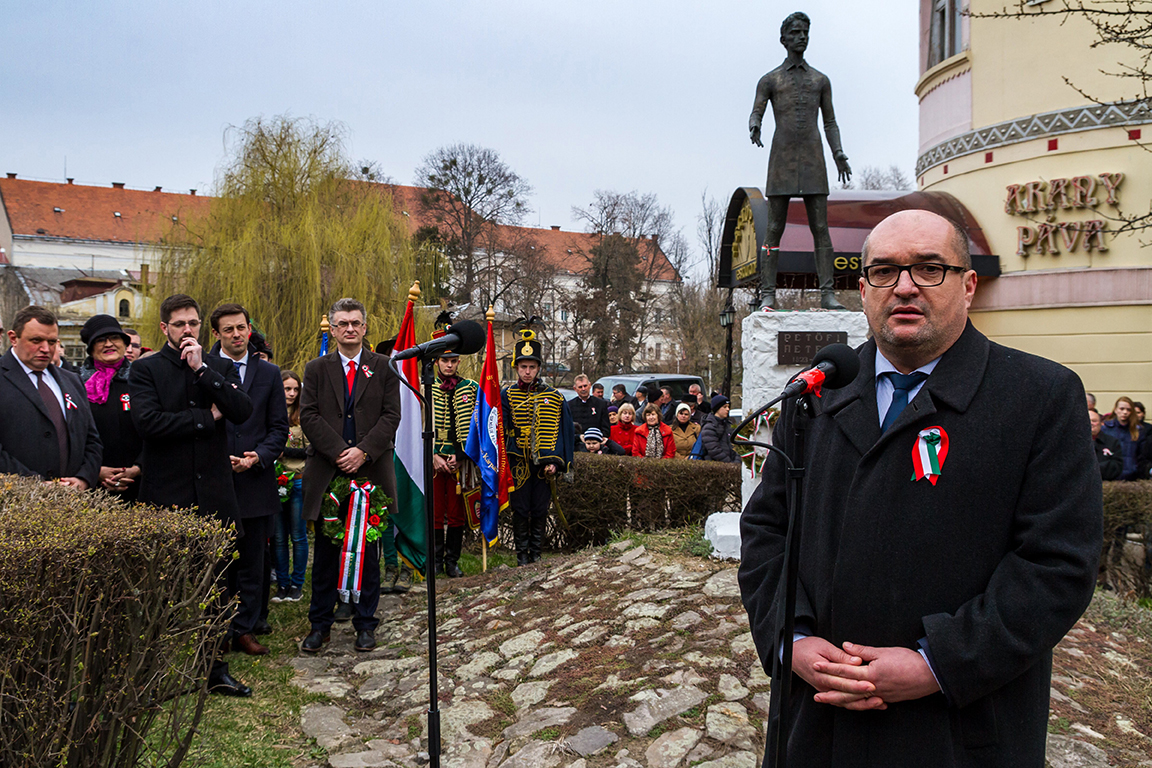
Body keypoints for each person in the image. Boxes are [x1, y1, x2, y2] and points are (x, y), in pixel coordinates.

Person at [739, 209, 1102, 767]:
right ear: (863, 291)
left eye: (929, 268)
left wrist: (939, 663)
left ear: (969, 284)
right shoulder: (816, 393)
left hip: (959, 730)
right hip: (817, 723)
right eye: (884, 271)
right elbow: (767, 530)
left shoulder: (1040, 397)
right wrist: (791, 639)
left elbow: (1057, 566)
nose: (904, 287)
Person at [129, 294, 254, 697]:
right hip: (167, 495)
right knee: (163, 588)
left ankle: (213, 666)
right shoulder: (145, 369)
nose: (188, 330)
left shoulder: (216, 367)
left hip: (215, 495)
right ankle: (156, 670)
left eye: (194, 323)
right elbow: (148, 423)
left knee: (217, 585)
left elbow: (240, 410)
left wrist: (203, 371)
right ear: (164, 328)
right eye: (179, 324)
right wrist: (205, 418)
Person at [299, 298, 401, 654]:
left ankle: (365, 623)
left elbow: (391, 416)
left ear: (365, 326)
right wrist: (341, 452)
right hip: (329, 472)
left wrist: (364, 451)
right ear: (333, 327)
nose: (349, 329)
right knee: (327, 553)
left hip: (370, 471)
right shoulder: (315, 369)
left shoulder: (384, 367)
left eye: (355, 323)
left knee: (367, 550)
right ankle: (320, 625)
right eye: (342, 323)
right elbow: (308, 415)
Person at [749, 11, 851, 311]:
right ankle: (768, 293)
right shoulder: (770, 80)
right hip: (781, 159)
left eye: (805, 32)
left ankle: (827, 293)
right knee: (774, 228)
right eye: (795, 32)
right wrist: (755, 124)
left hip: (812, 158)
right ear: (784, 39)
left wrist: (838, 153)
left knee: (820, 227)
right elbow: (757, 110)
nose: (801, 37)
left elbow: (830, 122)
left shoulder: (820, 80)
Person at [208, 304, 289, 657]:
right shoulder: (200, 368)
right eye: (229, 330)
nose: (237, 335)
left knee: (253, 562)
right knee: (217, 563)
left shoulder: (269, 374)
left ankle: (245, 628)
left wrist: (258, 456)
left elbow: (278, 429)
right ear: (217, 334)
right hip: (214, 482)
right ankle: (216, 630)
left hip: (255, 481)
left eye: (242, 328)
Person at [0, 306, 102, 488]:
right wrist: (35, 485)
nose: (46, 349)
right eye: (36, 340)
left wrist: (83, 479)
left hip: (72, 503)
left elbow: (91, 439)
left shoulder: (72, 380)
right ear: (13, 338)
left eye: (52, 341)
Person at [502, 330, 573, 566]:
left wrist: (557, 462)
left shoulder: (553, 397)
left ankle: (536, 553)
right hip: (517, 461)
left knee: (540, 508)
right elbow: (500, 429)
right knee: (520, 509)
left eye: (532, 366)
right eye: (523, 366)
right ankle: (521, 554)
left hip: (544, 464)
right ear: (516, 367)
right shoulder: (507, 395)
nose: (528, 371)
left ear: (538, 368)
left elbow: (563, 431)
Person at [430, 334, 479, 579]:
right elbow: (415, 425)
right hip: (434, 461)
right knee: (436, 512)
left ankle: (453, 561)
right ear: (437, 361)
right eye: (444, 360)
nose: (449, 365)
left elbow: (478, 426)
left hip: (461, 461)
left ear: (459, 362)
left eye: (453, 361)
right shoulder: (424, 387)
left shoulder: (471, 388)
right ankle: (436, 560)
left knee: (457, 511)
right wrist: (433, 456)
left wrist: (461, 455)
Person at [78, 314, 142, 500]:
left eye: (114, 338)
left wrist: (137, 468)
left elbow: (157, 428)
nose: (109, 344)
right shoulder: (76, 385)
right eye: (100, 340)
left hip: (141, 483)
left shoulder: (143, 381)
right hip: (91, 485)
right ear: (90, 349)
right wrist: (94, 470)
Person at [272, 370, 309, 603]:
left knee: (298, 535)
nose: (292, 394)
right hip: (275, 482)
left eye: (296, 389)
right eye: (287, 389)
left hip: (297, 480)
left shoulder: (303, 416)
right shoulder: (271, 412)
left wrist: (285, 451)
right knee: (278, 537)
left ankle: (297, 583)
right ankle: (282, 584)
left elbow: (311, 449)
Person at [1101, 396, 1146, 480]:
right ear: (1115, 410)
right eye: (1121, 409)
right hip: (1110, 475)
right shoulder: (1105, 429)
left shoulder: (1138, 430)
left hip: (1132, 475)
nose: (1125, 412)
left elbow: (1141, 455)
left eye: (1128, 410)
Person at [700, 395, 739, 463]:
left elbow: (737, 445)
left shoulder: (729, 424)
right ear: (717, 408)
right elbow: (714, 450)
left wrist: (737, 461)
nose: (728, 409)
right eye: (724, 407)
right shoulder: (709, 426)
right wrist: (730, 463)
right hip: (718, 466)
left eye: (728, 406)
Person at [1090, 408, 1122, 481]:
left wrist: (1095, 468)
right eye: (1088, 421)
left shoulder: (1112, 442)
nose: (1091, 423)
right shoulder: (1075, 442)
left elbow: (1117, 465)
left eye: (1094, 421)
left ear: (1101, 423)